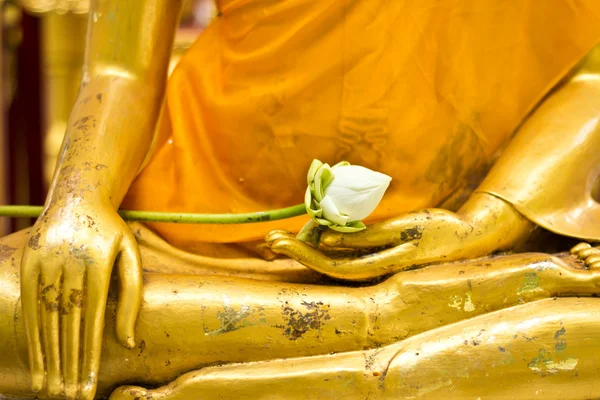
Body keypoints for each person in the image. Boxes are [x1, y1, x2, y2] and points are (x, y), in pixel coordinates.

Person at [7, 0, 600, 398]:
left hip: (456, 235)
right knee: (20, 309)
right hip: (203, 237)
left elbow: (591, 72)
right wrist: (80, 199)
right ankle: (407, 319)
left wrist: (485, 224)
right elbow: (119, 67)